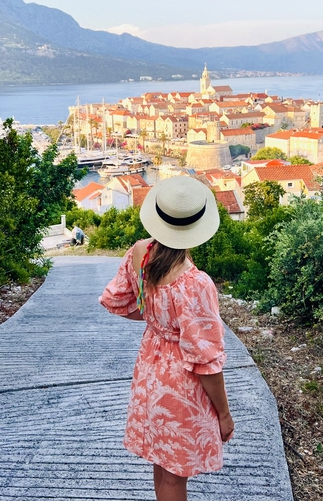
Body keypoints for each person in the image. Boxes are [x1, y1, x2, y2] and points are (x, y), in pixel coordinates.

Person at [99, 176, 234, 501]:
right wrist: (225, 415)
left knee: (162, 466)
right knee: (175, 477)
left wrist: (158, 319)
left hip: (150, 372)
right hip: (180, 386)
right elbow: (206, 363)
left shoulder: (141, 253)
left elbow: (117, 301)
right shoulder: (195, 283)